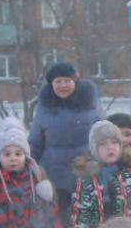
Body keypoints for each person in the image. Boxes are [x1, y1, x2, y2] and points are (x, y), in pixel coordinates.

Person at [29, 61, 104, 219]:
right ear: (51, 84)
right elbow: (35, 144)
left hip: (88, 177)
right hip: (55, 178)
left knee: (88, 222)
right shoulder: (43, 109)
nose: (63, 85)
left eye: (67, 80)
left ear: (75, 81)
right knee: (60, 224)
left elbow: (103, 137)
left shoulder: (91, 105)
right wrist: (29, 170)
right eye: (58, 81)